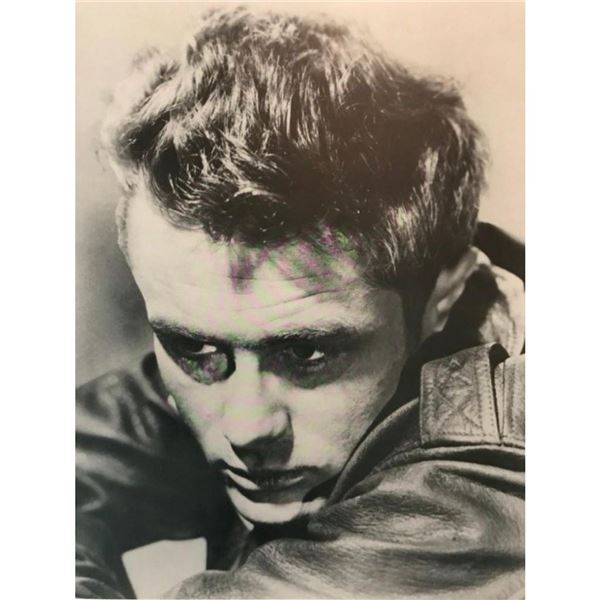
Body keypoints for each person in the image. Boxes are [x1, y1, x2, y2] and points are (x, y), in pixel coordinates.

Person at [76, 6, 525, 599]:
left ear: (444, 295)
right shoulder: (267, 335)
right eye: (193, 348)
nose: (245, 428)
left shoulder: (485, 491)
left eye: (308, 355)